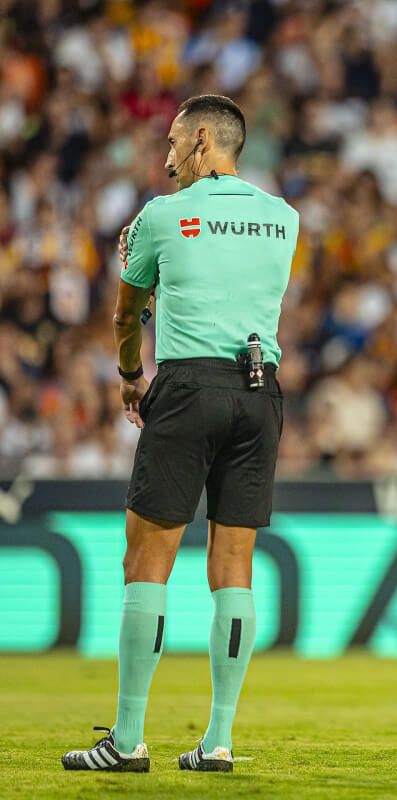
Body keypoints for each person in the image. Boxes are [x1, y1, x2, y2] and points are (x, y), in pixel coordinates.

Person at [61, 95, 299, 773]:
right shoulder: (285, 218)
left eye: (171, 142)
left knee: (147, 564)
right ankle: (218, 741)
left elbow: (125, 312)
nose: (165, 158)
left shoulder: (159, 217)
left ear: (201, 139)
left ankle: (127, 739)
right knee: (234, 568)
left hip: (189, 386)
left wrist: (129, 375)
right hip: (260, 392)